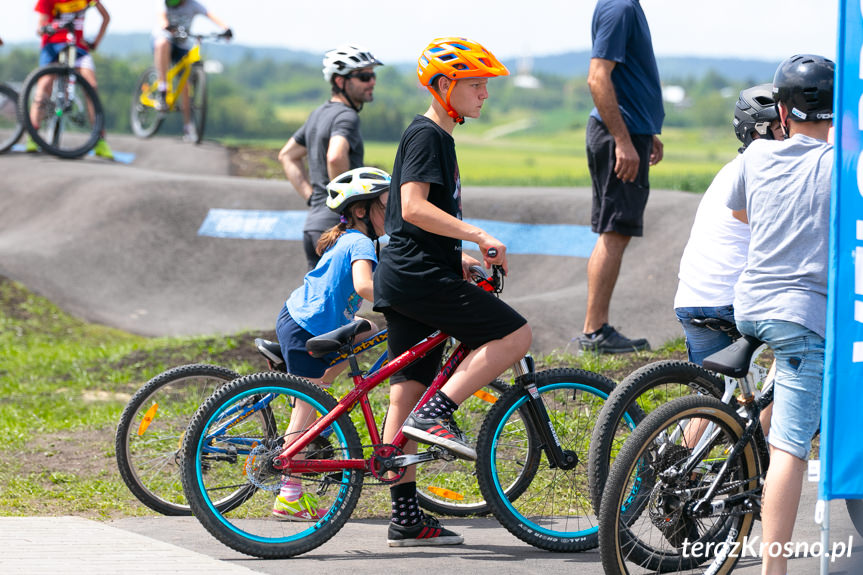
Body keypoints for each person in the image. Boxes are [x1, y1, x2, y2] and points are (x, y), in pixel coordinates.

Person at [373, 37, 532, 547]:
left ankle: (405, 517)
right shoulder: (428, 136)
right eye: (476, 84)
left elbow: (412, 223)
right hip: (418, 277)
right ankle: (440, 414)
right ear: (445, 87)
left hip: (408, 274)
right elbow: (413, 207)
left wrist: (458, 259)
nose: (485, 94)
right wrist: (478, 236)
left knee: (406, 392)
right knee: (515, 334)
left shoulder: (435, 136)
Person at [724, 54, 833, 575]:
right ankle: (776, 570)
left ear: (783, 111)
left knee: (776, 398)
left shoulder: (757, 156)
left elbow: (741, 211)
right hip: (799, 316)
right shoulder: (842, 164)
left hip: (749, 306)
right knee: (791, 447)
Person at [270, 166, 389, 521]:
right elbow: (366, 286)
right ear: (360, 210)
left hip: (308, 322)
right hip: (306, 328)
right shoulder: (360, 241)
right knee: (306, 408)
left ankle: (325, 390)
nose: (392, 213)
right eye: (385, 206)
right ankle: (288, 495)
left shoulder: (355, 238)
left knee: (367, 328)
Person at [674, 84, 783, 365]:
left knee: (711, 401)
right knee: (801, 348)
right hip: (731, 300)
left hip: (690, 298)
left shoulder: (731, 169)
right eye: (782, 129)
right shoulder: (765, 170)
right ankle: (768, 411)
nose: (789, 136)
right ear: (757, 130)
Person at [578, 0, 665, 353]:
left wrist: (645, 132)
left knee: (616, 231)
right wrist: (624, 140)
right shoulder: (621, 7)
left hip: (630, 130)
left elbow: (626, 79)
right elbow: (597, 77)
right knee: (615, 231)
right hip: (620, 134)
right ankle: (594, 331)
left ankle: (596, 328)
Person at [279, 44, 382, 271]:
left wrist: (312, 197)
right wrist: (347, 206)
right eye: (364, 76)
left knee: (319, 303)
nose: (372, 82)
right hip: (337, 226)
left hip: (314, 225)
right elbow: (335, 156)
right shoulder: (347, 116)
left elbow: (287, 156)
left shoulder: (318, 113)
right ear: (339, 81)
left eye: (373, 75)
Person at [27, 0, 112, 158]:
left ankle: (100, 140)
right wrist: (48, 28)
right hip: (52, 46)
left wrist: (95, 42)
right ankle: (33, 133)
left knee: (91, 85)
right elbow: (40, 27)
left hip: (77, 47)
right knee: (44, 84)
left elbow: (105, 17)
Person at [153, 0, 231, 141]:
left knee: (186, 84)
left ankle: (188, 126)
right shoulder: (166, 2)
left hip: (183, 44)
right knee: (162, 43)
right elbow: (161, 17)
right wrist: (166, 26)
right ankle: (162, 88)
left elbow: (210, 15)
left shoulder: (193, 5)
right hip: (166, 39)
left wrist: (226, 28)